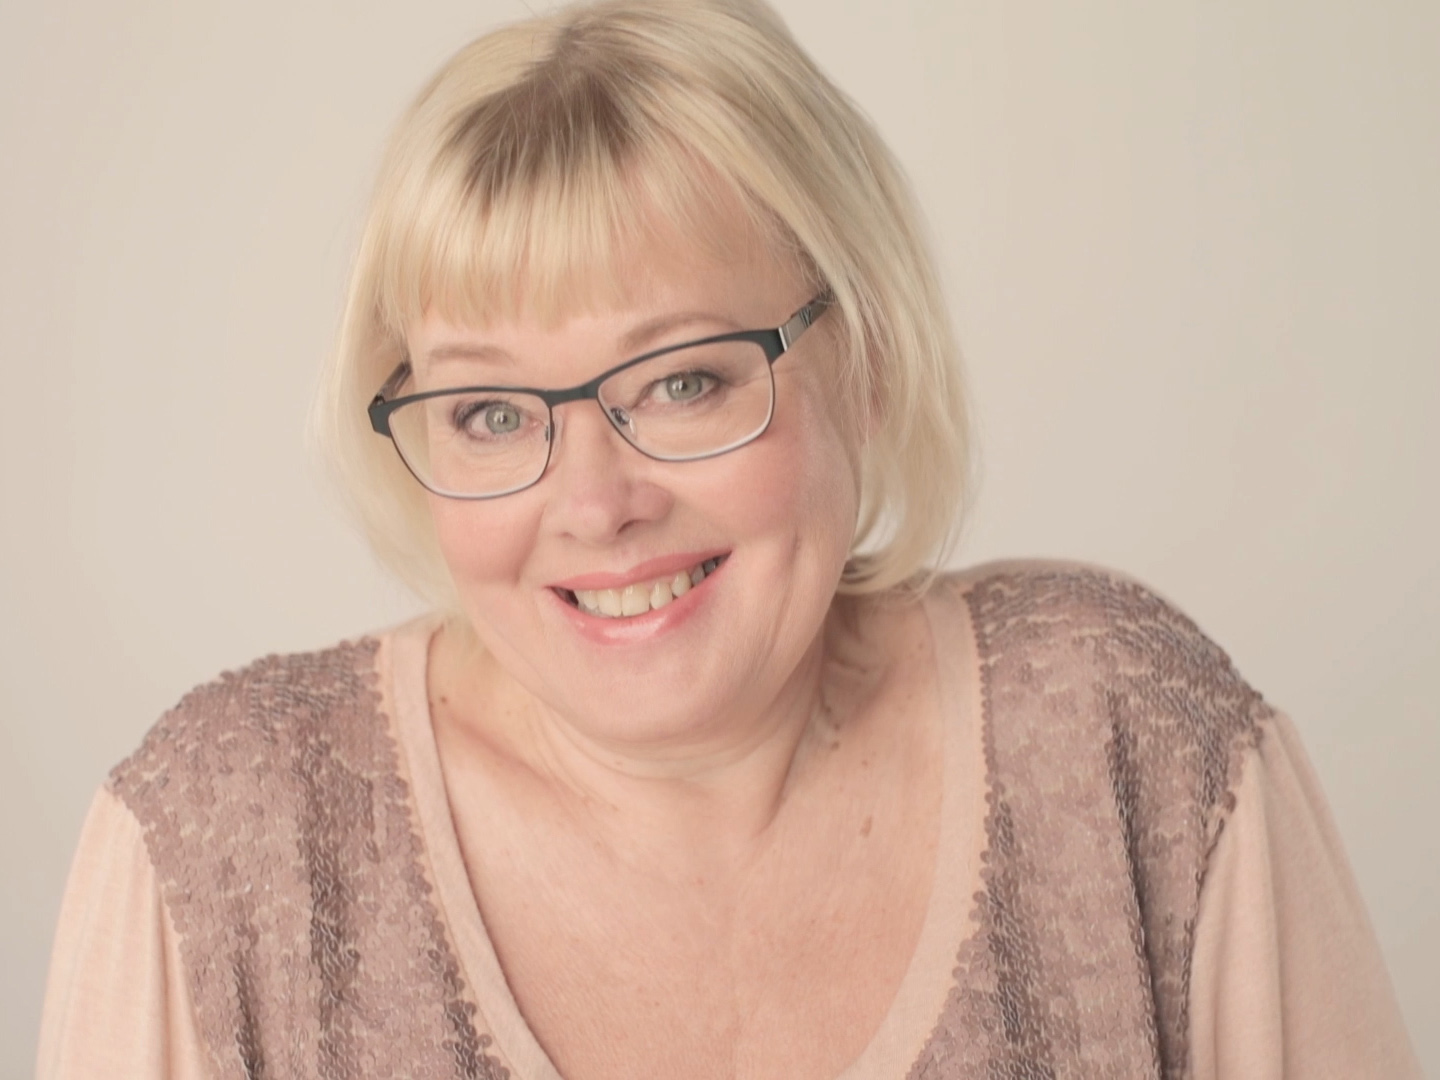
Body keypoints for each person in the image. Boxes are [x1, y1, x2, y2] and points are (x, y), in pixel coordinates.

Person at [36, 0, 1421, 1077]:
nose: (594, 504)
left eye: (683, 381)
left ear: (866, 359)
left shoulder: (1128, 741)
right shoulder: (226, 849)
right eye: (491, 412)